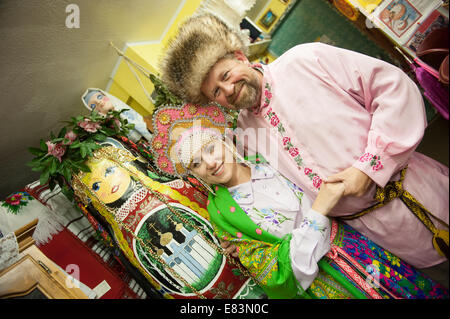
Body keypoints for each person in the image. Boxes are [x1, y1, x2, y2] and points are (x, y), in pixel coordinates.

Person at [159, 13, 449, 276]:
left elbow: (392, 88)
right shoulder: (245, 134)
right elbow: (267, 194)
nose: (229, 90)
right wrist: (247, 242)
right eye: (217, 92)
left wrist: (372, 166)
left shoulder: (305, 60)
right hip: (379, 240)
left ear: (240, 56)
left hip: (421, 190)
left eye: (226, 76)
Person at [150, 102, 448, 299]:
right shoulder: (221, 215)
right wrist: (319, 212)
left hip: (363, 247)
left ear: (225, 139)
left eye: (210, 148)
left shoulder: (268, 157)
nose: (210, 163)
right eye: (196, 163)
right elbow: (276, 278)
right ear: (193, 174)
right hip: (328, 285)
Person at [81, 88, 153, 143]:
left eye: (99, 97)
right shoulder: (107, 127)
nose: (99, 102)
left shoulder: (126, 112)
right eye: (93, 105)